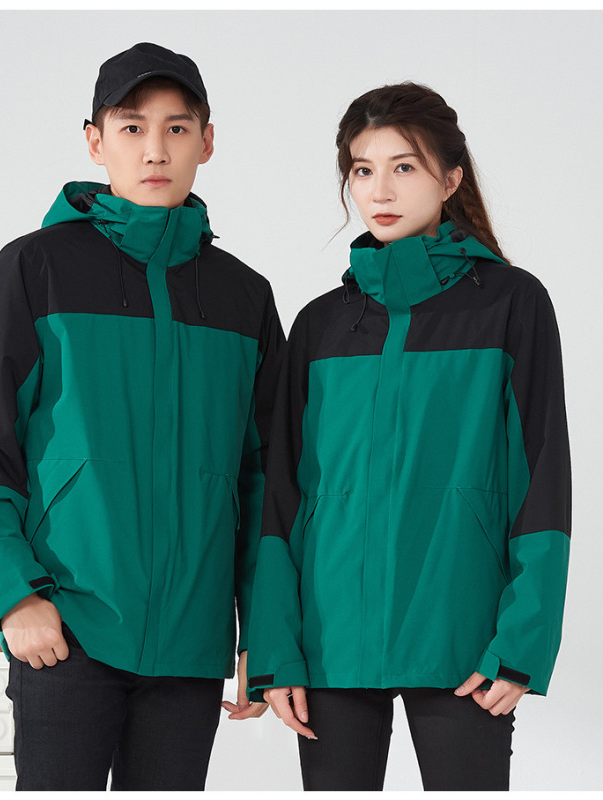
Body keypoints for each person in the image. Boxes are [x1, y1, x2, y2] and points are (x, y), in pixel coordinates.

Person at [0, 42, 274, 791]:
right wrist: (14, 595)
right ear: (95, 142)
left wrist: (266, 631)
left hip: (191, 644)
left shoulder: (243, 296)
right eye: (131, 128)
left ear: (207, 141)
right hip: (66, 628)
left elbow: (263, 480)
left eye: (176, 128)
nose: (155, 149)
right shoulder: (35, 268)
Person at [246, 82, 570, 791]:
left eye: (405, 167)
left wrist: (522, 643)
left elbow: (542, 483)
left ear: (450, 179)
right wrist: (273, 648)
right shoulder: (320, 324)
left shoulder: (512, 304)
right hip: (330, 641)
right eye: (363, 169)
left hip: (462, 640)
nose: (380, 190)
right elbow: (281, 499)